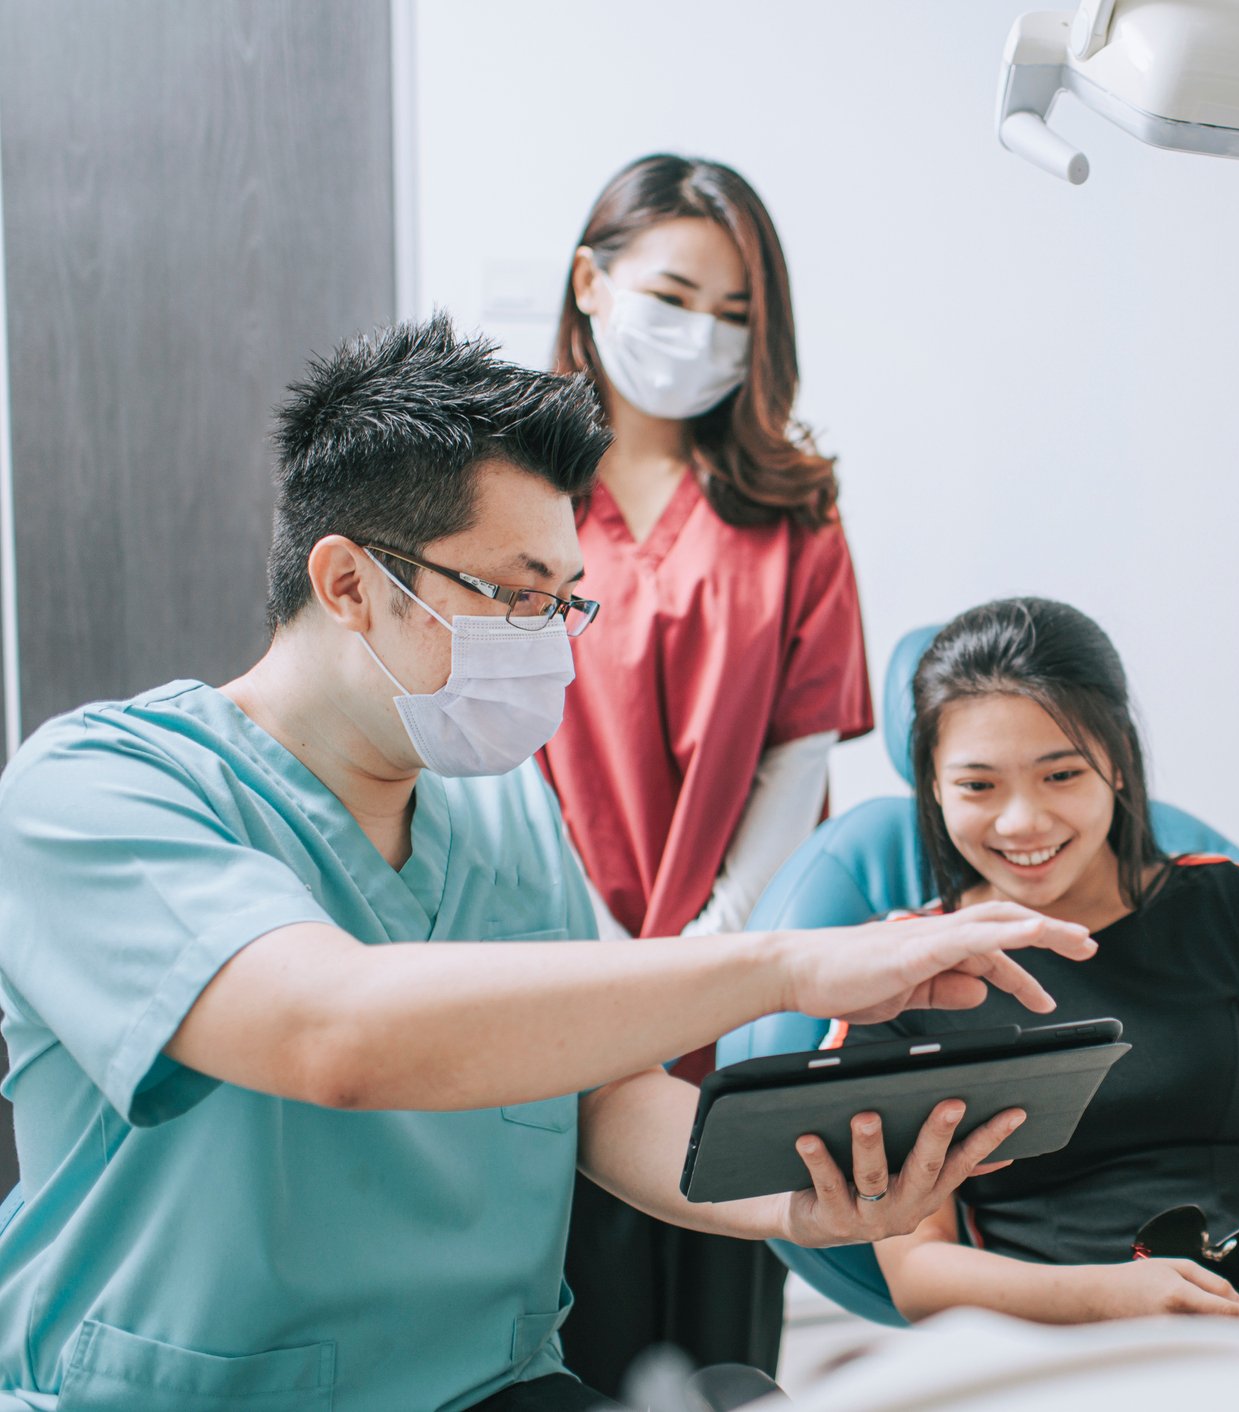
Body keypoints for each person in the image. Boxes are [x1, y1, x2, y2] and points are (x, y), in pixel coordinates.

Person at [0, 318, 1095, 1412]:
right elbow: (332, 1029)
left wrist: (790, 1201)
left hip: (496, 1388)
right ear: (347, 582)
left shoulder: (505, 808)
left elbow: (606, 1095)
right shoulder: (99, 791)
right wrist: (788, 967)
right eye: (517, 594)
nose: (552, 641)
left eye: (566, 599)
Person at [537, 153, 873, 1389]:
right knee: (565, 1308)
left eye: (737, 317)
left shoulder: (792, 507)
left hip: (731, 974)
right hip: (551, 956)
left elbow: (798, 750)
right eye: (676, 296)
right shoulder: (512, 487)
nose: (703, 337)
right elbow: (475, 729)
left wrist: (715, 949)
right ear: (590, 280)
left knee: (723, 1330)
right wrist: (600, 948)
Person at [842, 599, 1239, 1332]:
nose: (1022, 821)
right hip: (1051, 1347)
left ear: (1118, 760)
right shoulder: (894, 972)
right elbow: (919, 1272)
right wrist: (1119, 1296)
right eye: (977, 785)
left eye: (1060, 775)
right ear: (932, 786)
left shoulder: (1235, 908)